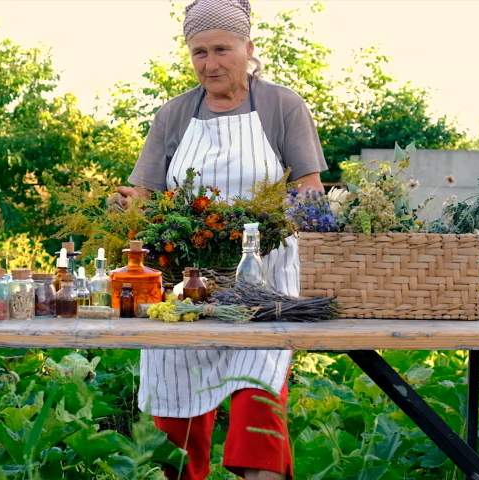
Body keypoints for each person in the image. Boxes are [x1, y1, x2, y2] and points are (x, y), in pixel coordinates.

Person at [116, 1, 327, 479]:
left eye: (222, 50)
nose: (211, 63)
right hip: (185, 284)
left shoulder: (281, 105)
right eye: (199, 52)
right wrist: (130, 208)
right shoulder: (173, 115)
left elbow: (309, 192)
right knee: (174, 406)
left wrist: (275, 223)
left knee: (258, 397)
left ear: (248, 50)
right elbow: (146, 199)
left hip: (266, 283)